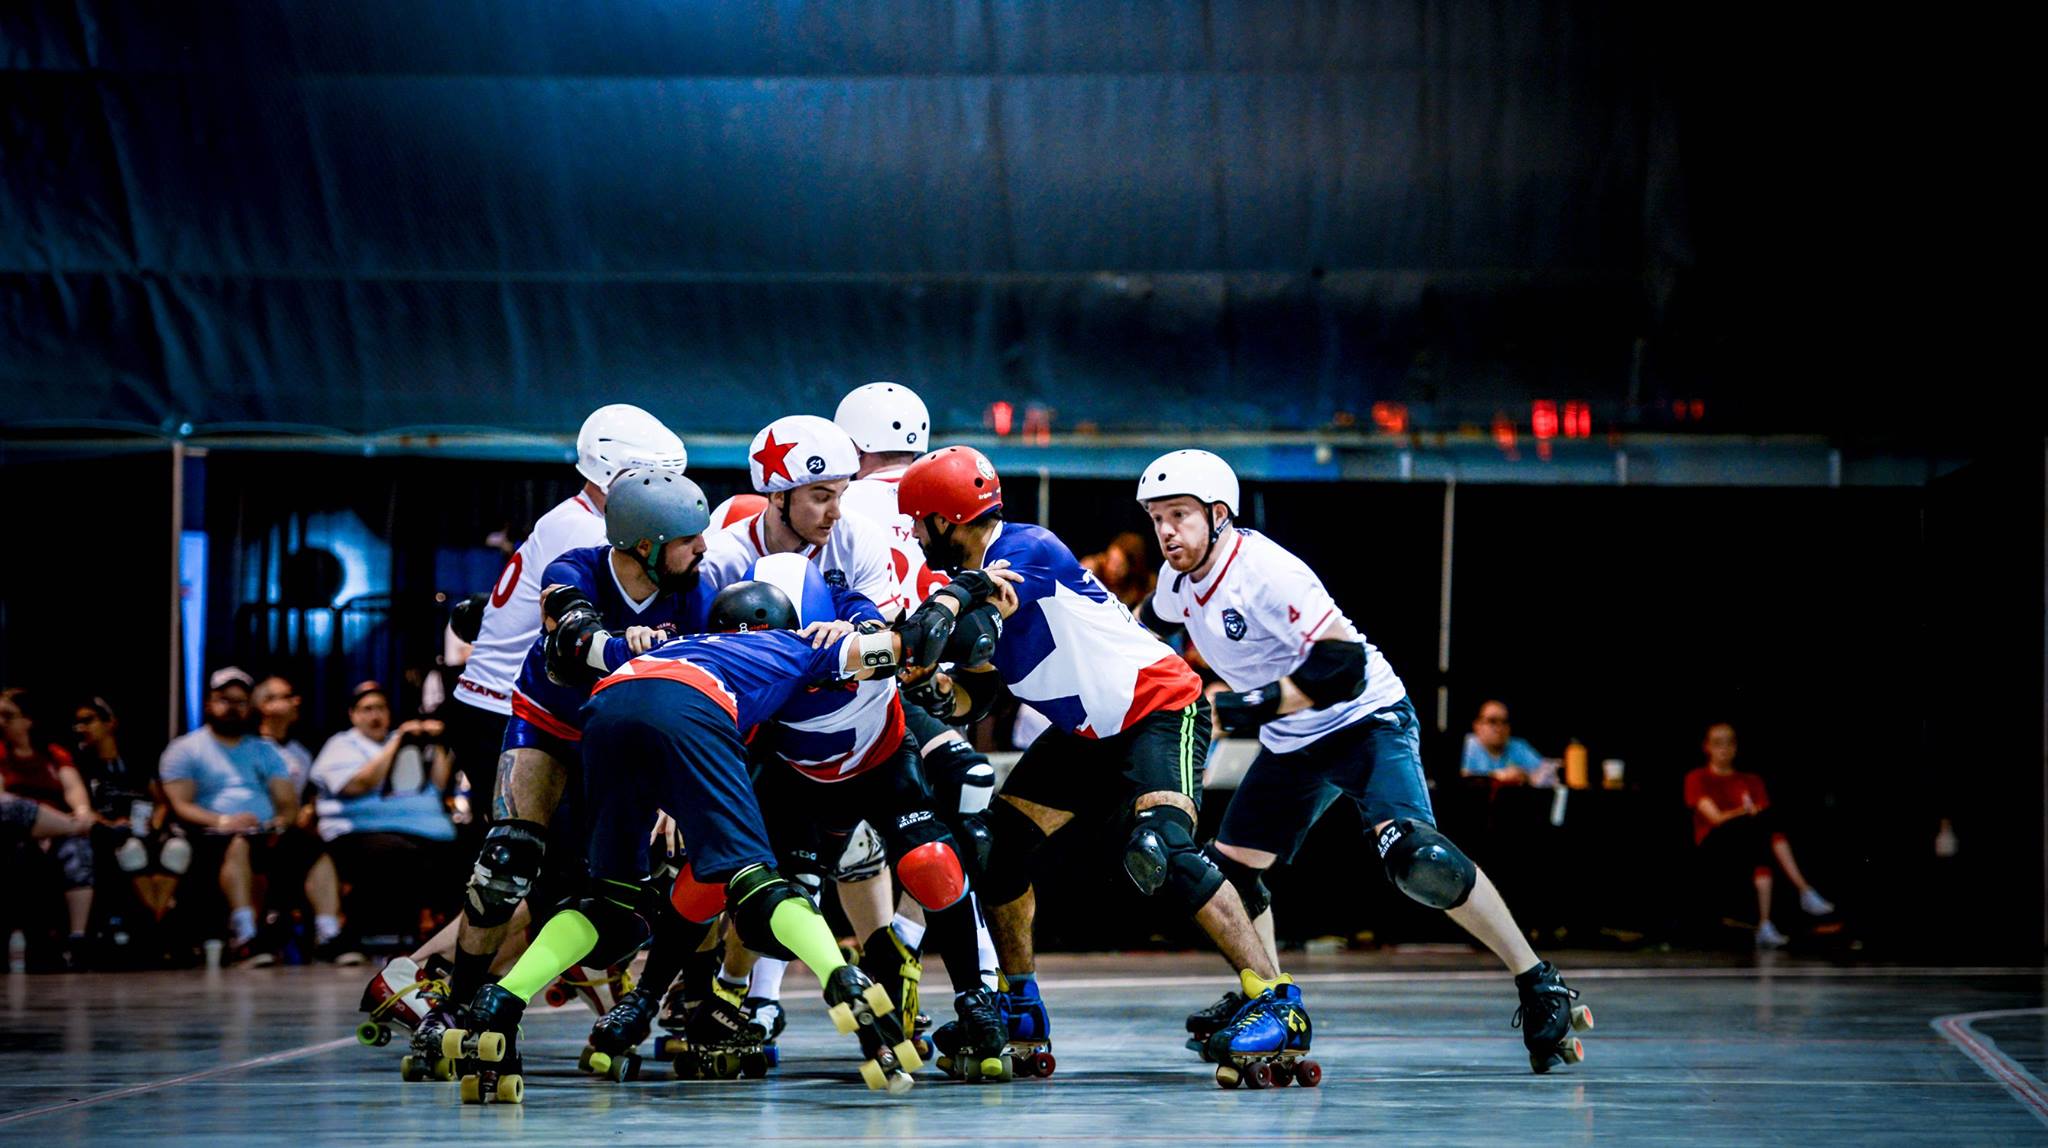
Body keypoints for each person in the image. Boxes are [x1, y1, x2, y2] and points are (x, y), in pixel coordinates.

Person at [439, 568, 1012, 1103]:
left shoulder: (673, 638)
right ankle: (846, 981)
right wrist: (962, 589)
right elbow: (919, 642)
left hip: (608, 706)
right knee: (755, 880)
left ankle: (499, 1002)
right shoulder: (804, 647)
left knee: (611, 904)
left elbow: (567, 651)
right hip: (696, 711)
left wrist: (540, 613)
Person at [1134, 449, 1590, 1075]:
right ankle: (1269, 999)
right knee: (1226, 877)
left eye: (1179, 516)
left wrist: (1257, 703)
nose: (1165, 532)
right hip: (1293, 741)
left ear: (1218, 515)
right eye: (1157, 517)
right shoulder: (1175, 581)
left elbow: (1343, 667)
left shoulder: (1266, 572)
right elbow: (1143, 632)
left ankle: (1540, 982)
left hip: (1363, 721)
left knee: (1417, 859)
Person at [895, 445, 1306, 1086]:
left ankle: (1276, 1001)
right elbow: (984, 688)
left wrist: (940, 610)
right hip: (1087, 733)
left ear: (945, 520)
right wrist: (944, 696)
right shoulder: (980, 575)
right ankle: (1022, 1006)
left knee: (1161, 850)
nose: (916, 538)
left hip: (1159, 707)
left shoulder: (1027, 548)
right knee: (995, 848)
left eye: (918, 524)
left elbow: (987, 590)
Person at [429, 467, 714, 1087]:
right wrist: (622, 648)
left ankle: (523, 998)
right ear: (645, 544)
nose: (703, 548)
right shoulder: (574, 568)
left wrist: (673, 791)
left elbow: (695, 691)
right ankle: (458, 1003)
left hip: (621, 739)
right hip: (550, 723)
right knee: (507, 860)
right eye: (690, 538)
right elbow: (572, 639)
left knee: (624, 894)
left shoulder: (696, 590)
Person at [447, 404, 687, 829]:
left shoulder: (580, 519)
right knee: (529, 866)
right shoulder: (588, 531)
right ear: (617, 477)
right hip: (510, 707)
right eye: (656, 479)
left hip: (522, 702)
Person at [158, 667, 344, 965]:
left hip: (265, 832)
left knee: (312, 849)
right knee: (239, 843)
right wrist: (223, 821)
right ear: (208, 703)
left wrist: (279, 823)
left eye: (240, 701)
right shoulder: (185, 749)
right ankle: (245, 937)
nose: (232, 707)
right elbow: (181, 805)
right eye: (224, 699)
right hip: (210, 835)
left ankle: (329, 935)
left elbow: (286, 801)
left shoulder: (265, 751)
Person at [310, 682, 458, 959]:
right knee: (399, 855)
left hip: (428, 832)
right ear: (353, 715)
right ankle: (353, 936)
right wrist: (397, 742)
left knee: (469, 854)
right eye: (367, 709)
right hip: (362, 834)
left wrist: (434, 743)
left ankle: (450, 944)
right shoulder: (342, 744)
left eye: (381, 708)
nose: (375, 715)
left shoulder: (407, 742)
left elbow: (439, 783)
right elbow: (360, 783)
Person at [1684, 722, 1835, 947]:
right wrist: (1743, 811)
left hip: (1750, 842)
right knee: (1764, 835)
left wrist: (1752, 814)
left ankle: (1765, 924)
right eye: (1717, 744)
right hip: (1715, 845)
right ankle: (1805, 890)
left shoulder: (1750, 780)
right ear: (1707, 747)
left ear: (1736, 747)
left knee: (1767, 844)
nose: (1724, 749)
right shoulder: (1698, 778)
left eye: (1729, 743)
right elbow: (1714, 819)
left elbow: (1764, 814)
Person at [73, 696, 190, 950]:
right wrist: (109, 822)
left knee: (178, 850)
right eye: (78, 723)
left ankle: (155, 917)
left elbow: (161, 802)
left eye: (88, 721)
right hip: (108, 833)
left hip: (144, 829)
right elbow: (81, 806)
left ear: (110, 723)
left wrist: (155, 823)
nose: (81, 728)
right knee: (130, 850)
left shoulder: (136, 760)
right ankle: (156, 923)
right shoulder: (80, 764)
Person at [0, 688, 98, 967]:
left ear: (28, 720)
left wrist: (81, 813)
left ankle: (78, 939)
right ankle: (70, 828)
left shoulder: (52, 753)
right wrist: (68, 825)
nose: (2, 722)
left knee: (77, 847)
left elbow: (75, 791)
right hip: (18, 829)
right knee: (12, 809)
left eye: (8, 716)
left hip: (55, 828)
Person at [254, 676, 316, 819]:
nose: (296, 701)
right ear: (265, 705)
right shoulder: (248, 749)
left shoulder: (303, 752)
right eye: (287, 697)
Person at [1460, 699, 1553, 785]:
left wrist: (1527, 776)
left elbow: (1548, 774)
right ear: (1477, 725)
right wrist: (1496, 777)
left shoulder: (1518, 746)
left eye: (1504, 722)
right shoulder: (1466, 747)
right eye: (1492, 721)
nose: (1499, 728)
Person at [1082, 531, 1157, 609]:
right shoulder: (1094, 567)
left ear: (1132, 568)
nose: (1111, 568)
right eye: (1109, 559)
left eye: (1118, 566)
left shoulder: (1143, 585)